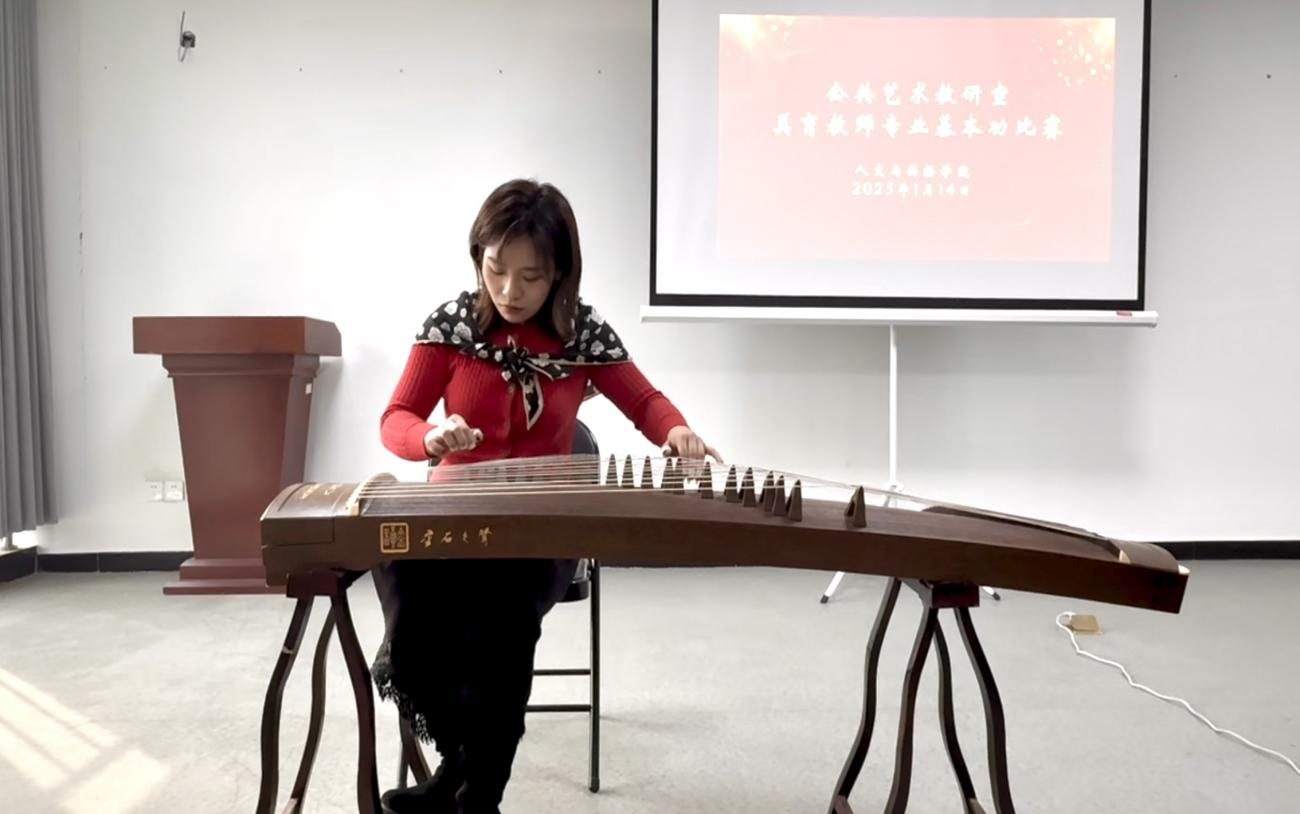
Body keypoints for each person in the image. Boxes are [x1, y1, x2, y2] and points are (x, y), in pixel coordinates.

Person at [373, 178, 719, 814]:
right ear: (477, 257)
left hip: (541, 526)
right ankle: (458, 764)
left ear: (559, 272)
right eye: (495, 269)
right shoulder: (451, 328)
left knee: (503, 619)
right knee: (406, 592)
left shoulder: (580, 333)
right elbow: (396, 417)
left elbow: (644, 400)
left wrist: (677, 432)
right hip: (454, 514)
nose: (509, 290)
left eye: (529, 276)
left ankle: (479, 800)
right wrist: (429, 438)